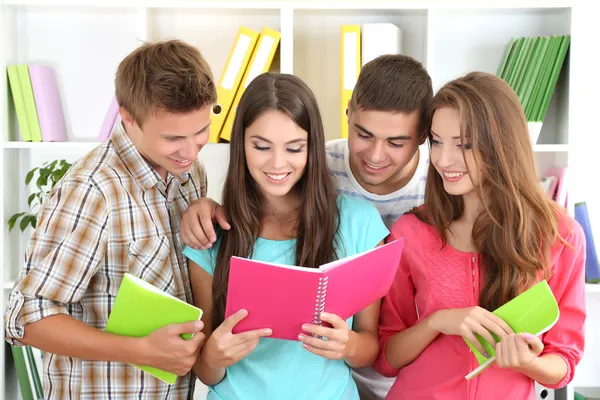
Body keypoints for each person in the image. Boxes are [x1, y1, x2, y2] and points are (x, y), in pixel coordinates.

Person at [180, 54, 434, 400]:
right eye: (261, 146)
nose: (278, 163)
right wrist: (213, 355)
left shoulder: (360, 222)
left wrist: (347, 344)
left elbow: (369, 345)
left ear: (311, 148)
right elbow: (206, 369)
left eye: (295, 148)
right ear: (240, 143)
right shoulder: (212, 234)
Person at [4, 39, 217, 399]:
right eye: (173, 138)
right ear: (128, 116)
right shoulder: (92, 190)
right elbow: (24, 319)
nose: (190, 150)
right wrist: (139, 350)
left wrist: (206, 207)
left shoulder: (189, 174)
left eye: (200, 132)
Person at [373, 71, 586, 399]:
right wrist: (438, 322)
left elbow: (564, 361)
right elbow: (386, 358)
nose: (443, 160)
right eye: (437, 141)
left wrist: (529, 362)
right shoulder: (411, 233)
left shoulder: (560, 236)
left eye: (464, 144)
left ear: (501, 144)